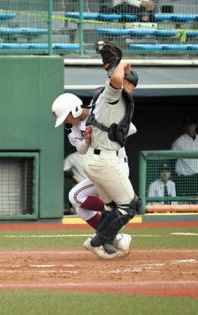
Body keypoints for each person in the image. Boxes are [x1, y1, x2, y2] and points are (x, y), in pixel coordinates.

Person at [52, 92, 137, 254]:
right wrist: (87, 140)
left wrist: (108, 132)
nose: (66, 122)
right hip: (100, 170)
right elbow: (81, 150)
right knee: (81, 208)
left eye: (66, 117)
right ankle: (115, 236)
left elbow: (131, 129)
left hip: (115, 167)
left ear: (75, 109)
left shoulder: (100, 113)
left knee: (74, 197)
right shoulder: (74, 130)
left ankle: (114, 212)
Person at [81, 53, 141, 259]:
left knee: (112, 206)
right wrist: (122, 63)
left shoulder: (107, 97)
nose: (132, 90)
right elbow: (115, 80)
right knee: (130, 205)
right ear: (125, 81)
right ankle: (97, 241)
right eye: (131, 85)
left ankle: (102, 240)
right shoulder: (113, 93)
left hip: (96, 158)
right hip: (103, 159)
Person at [171, 115, 198, 196]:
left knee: (196, 201)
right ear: (185, 126)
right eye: (187, 125)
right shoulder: (179, 141)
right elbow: (172, 159)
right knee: (183, 202)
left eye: (192, 124)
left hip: (196, 176)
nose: (190, 127)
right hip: (183, 177)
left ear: (195, 125)